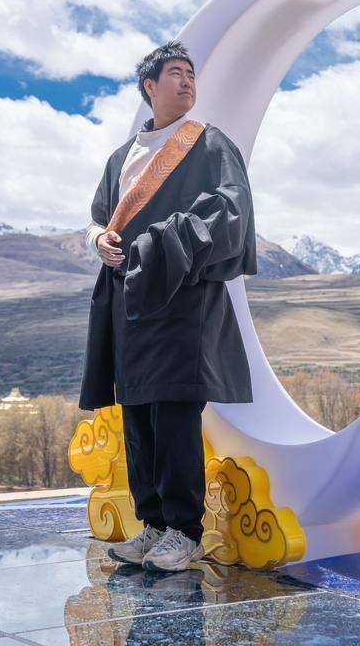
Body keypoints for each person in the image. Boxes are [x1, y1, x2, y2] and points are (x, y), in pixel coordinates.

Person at [79, 40, 257, 572]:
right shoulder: (121, 159)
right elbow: (97, 218)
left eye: (191, 74)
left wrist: (163, 241)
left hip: (182, 300)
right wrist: (98, 240)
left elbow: (232, 211)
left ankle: (185, 531)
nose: (187, 82)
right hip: (128, 302)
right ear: (149, 86)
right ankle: (153, 524)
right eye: (175, 73)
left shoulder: (209, 144)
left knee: (175, 413)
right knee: (137, 415)